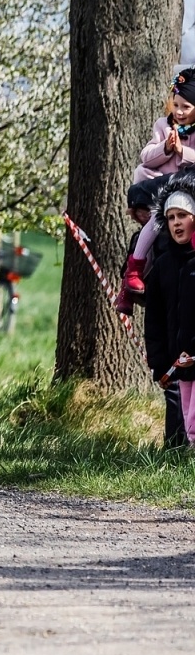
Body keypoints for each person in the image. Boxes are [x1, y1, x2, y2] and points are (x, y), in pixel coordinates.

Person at [120, 67, 195, 309]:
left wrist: (184, 152)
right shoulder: (164, 125)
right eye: (176, 105)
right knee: (153, 227)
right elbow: (146, 158)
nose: (180, 112)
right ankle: (132, 278)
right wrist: (165, 147)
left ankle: (136, 274)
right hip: (163, 196)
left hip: (183, 196)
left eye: (186, 107)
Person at [140, 172, 195, 449]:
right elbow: (155, 319)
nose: (176, 223)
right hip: (177, 364)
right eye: (171, 217)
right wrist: (159, 362)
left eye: (182, 216)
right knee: (189, 423)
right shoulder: (162, 266)